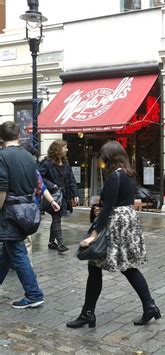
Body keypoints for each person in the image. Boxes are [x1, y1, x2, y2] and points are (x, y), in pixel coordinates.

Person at [66, 141, 160, 328]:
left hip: (116, 223)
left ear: (109, 157)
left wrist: (94, 234)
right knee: (126, 266)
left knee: (101, 267)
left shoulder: (114, 177)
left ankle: (88, 314)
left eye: (102, 157)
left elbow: (108, 207)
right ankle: (149, 306)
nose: (101, 161)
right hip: (127, 220)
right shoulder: (130, 174)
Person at [0, 121, 44, 309]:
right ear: (18, 136)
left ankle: (34, 294)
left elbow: (2, 188)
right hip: (27, 210)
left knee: (17, 252)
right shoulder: (29, 157)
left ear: (1, 139)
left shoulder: (2, 156)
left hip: (10, 210)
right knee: (8, 252)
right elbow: (35, 184)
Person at [22, 143, 61, 262]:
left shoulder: (34, 172)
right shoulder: (19, 170)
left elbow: (42, 187)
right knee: (24, 240)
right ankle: (24, 266)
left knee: (25, 239)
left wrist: (52, 201)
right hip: (21, 209)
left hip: (30, 209)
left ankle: (22, 263)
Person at [38, 140, 79, 253]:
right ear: (58, 149)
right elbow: (39, 178)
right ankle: (60, 244)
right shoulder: (47, 163)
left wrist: (75, 194)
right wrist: (53, 186)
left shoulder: (66, 162)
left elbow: (71, 179)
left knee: (57, 217)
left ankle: (51, 242)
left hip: (64, 195)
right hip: (53, 196)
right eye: (65, 147)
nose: (67, 149)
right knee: (56, 217)